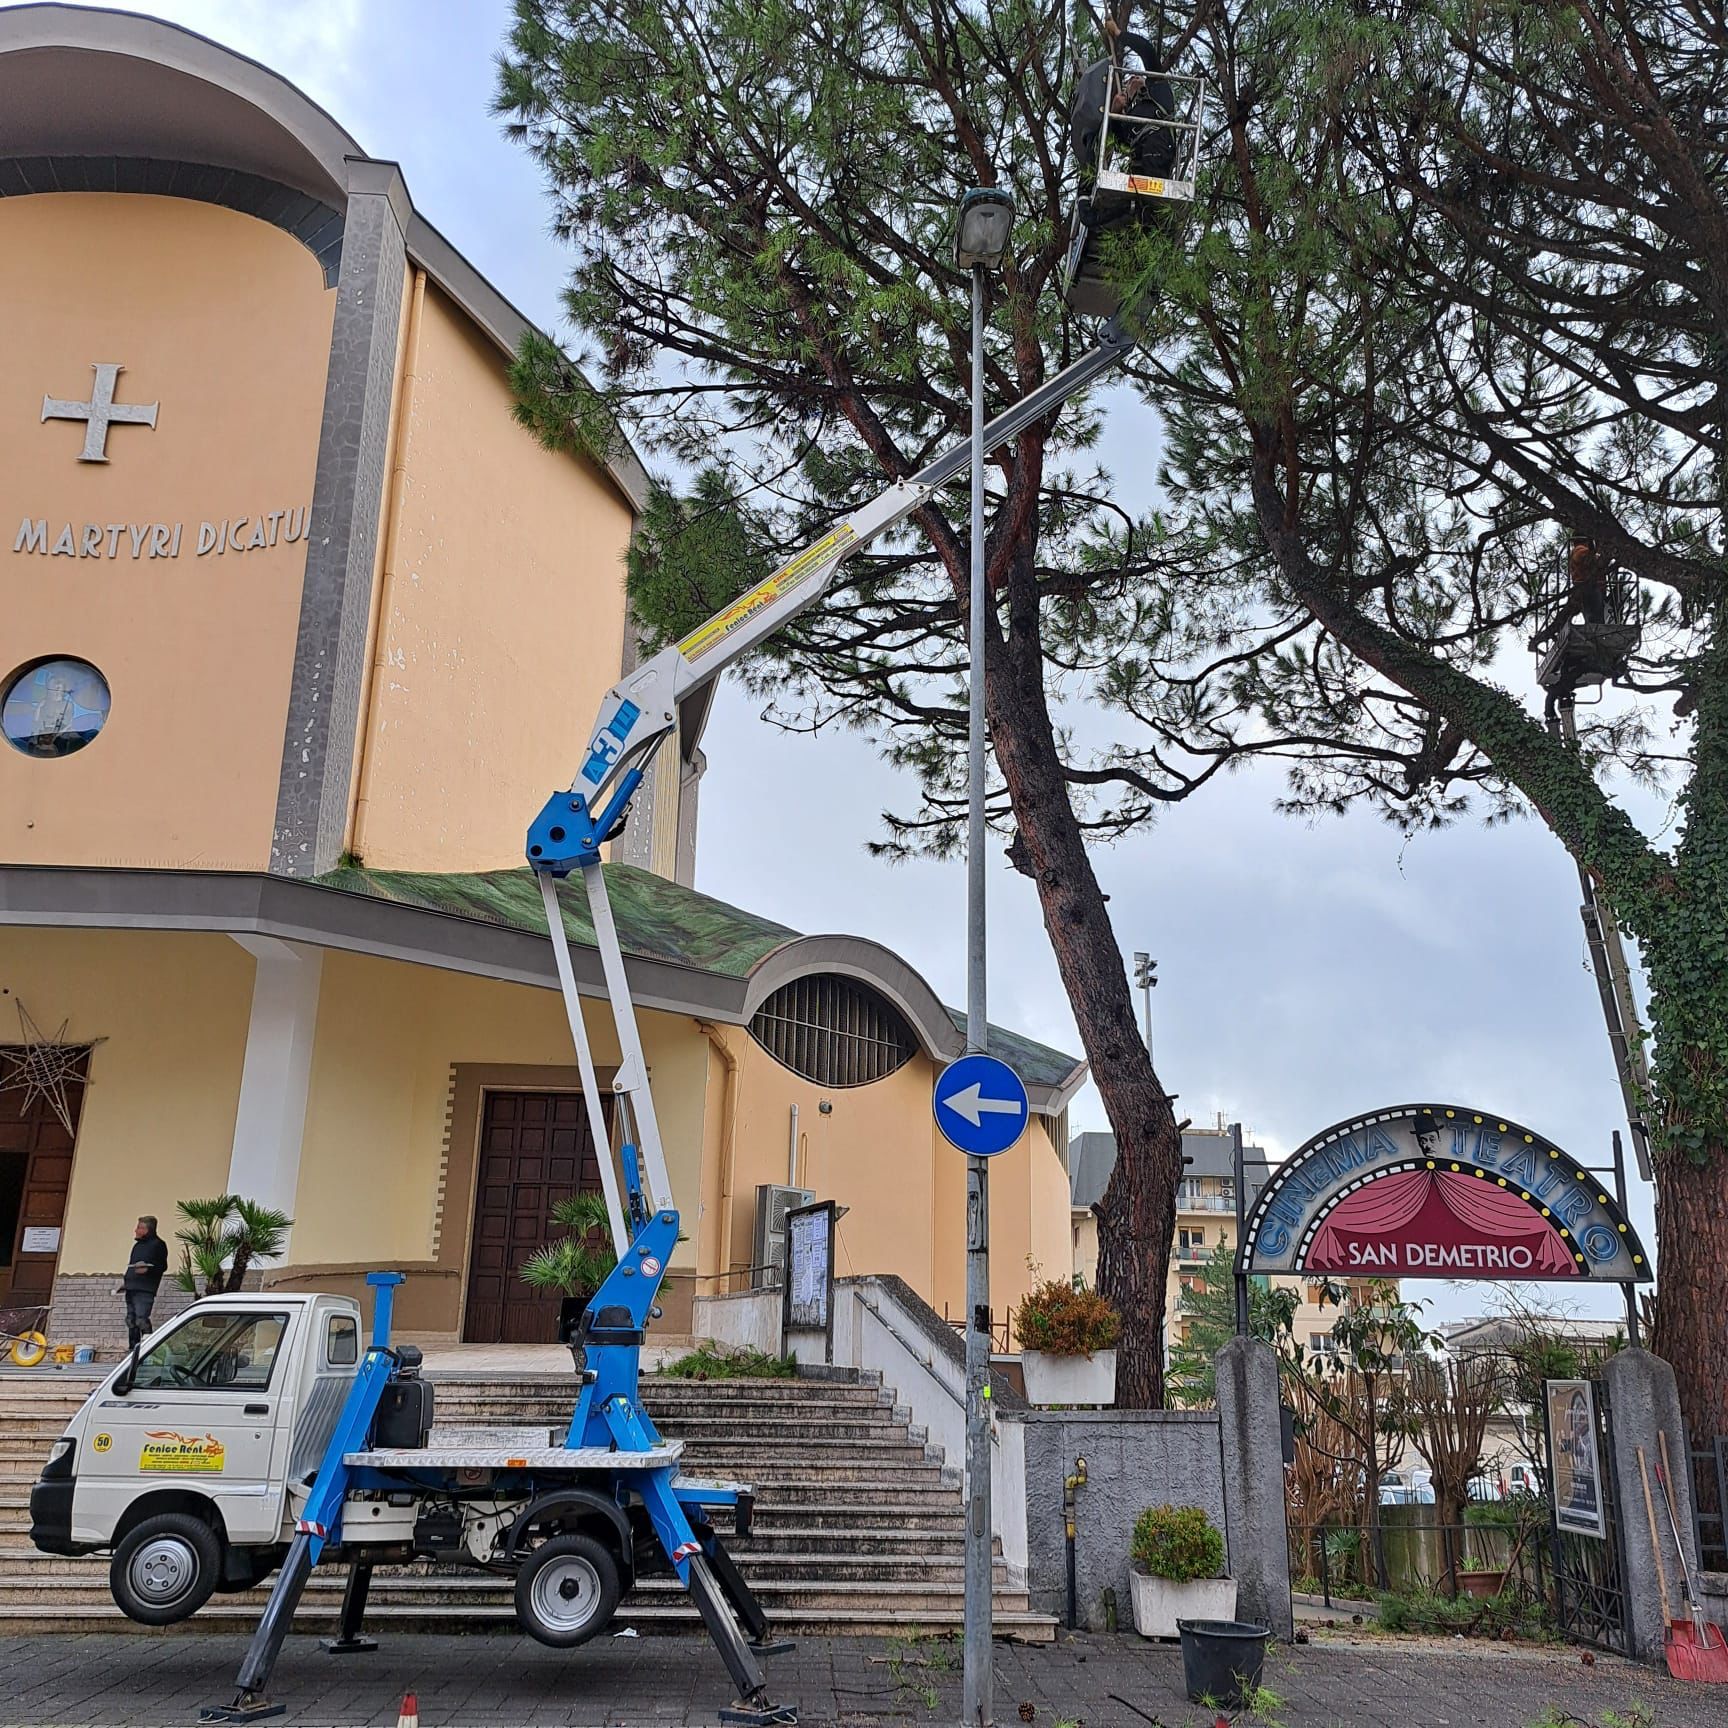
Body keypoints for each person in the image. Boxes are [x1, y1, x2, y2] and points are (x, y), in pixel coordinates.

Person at [116, 1215, 168, 1351]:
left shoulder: (158, 1244)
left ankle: (148, 1350)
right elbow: (131, 1267)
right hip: (132, 1287)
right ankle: (133, 1350)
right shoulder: (137, 1246)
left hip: (145, 1289)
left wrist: (148, 1270)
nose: (136, 1230)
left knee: (141, 1320)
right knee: (131, 1321)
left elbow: (162, 1266)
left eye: (139, 1228)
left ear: (147, 1229)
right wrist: (126, 1283)